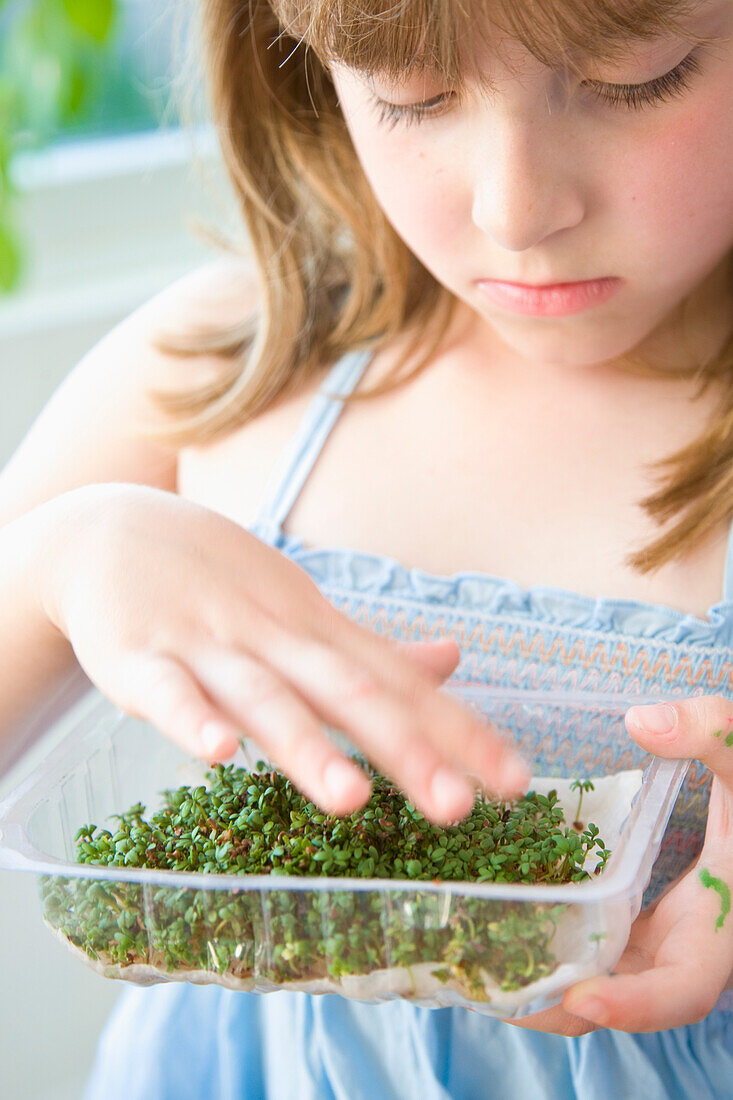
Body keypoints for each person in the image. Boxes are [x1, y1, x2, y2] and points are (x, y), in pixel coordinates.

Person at [1, 0, 732, 1095]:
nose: (517, 208)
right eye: (410, 93)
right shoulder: (214, 372)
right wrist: (60, 557)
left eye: (637, 79)